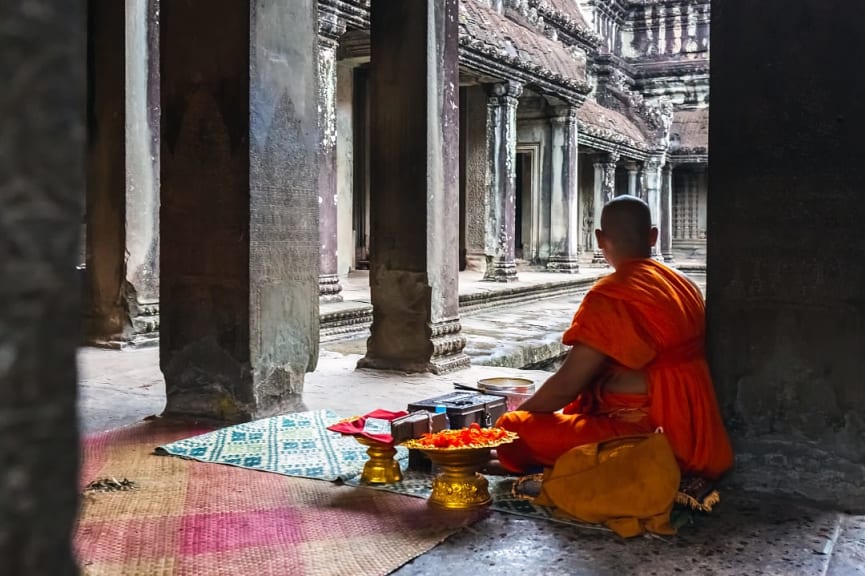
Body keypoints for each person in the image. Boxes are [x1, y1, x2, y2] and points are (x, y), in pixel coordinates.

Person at [496, 195, 733, 480]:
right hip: (696, 426)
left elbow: (566, 386)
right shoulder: (683, 285)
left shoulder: (611, 295)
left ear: (599, 239)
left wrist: (519, 418)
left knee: (512, 429)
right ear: (654, 236)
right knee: (573, 415)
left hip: (650, 433)